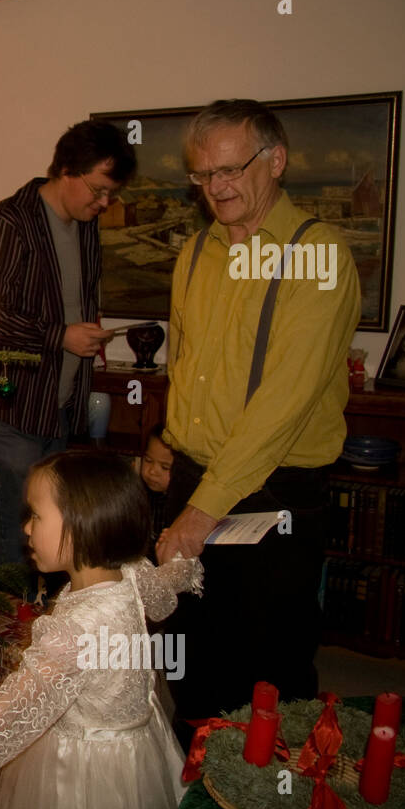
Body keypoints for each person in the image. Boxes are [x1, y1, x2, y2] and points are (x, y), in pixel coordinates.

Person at [157, 99, 360, 744]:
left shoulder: (318, 258)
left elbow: (283, 405)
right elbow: (187, 364)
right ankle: (196, 798)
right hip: (194, 481)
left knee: (265, 673)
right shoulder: (193, 252)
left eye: (229, 169)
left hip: (272, 499)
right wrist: (168, 443)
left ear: (276, 161)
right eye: (202, 175)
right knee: (189, 657)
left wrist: (201, 511)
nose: (216, 187)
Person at [0, 451, 202, 809]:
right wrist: (183, 564)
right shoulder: (130, 572)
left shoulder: (77, 632)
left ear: (83, 523)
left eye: (36, 516)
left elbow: (12, 713)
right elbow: (164, 592)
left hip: (87, 773)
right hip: (140, 750)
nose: (27, 529)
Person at [0, 120, 136, 567]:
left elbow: (70, 301)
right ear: (67, 170)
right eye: (97, 190)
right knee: (15, 526)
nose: (104, 202)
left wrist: (83, 333)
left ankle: (39, 623)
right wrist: (62, 336)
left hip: (55, 403)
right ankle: (7, 626)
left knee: (52, 526)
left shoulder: (85, 225)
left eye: (111, 194)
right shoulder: (7, 222)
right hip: (5, 402)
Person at [138, 424, 174, 560]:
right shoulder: (136, 494)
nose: (153, 471)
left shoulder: (182, 505)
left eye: (164, 467)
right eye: (148, 460)